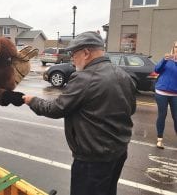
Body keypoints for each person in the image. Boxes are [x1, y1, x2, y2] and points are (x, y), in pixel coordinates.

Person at [23, 31, 136, 195]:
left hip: (93, 159)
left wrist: (32, 101)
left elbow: (56, 109)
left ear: (86, 53)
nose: (72, 59)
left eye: (74, 54)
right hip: (118, 151)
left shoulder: (84, 78)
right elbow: (130, 109)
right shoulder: (122, 75)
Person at [154, 41, 177, 149]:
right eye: (176, 47)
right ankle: (159, 140)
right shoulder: (167, 59)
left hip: (175, 94)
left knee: (176, 117)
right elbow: (156, 70)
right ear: (173, 48)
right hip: (161, 92)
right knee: (162, 115)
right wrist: (164, 59)